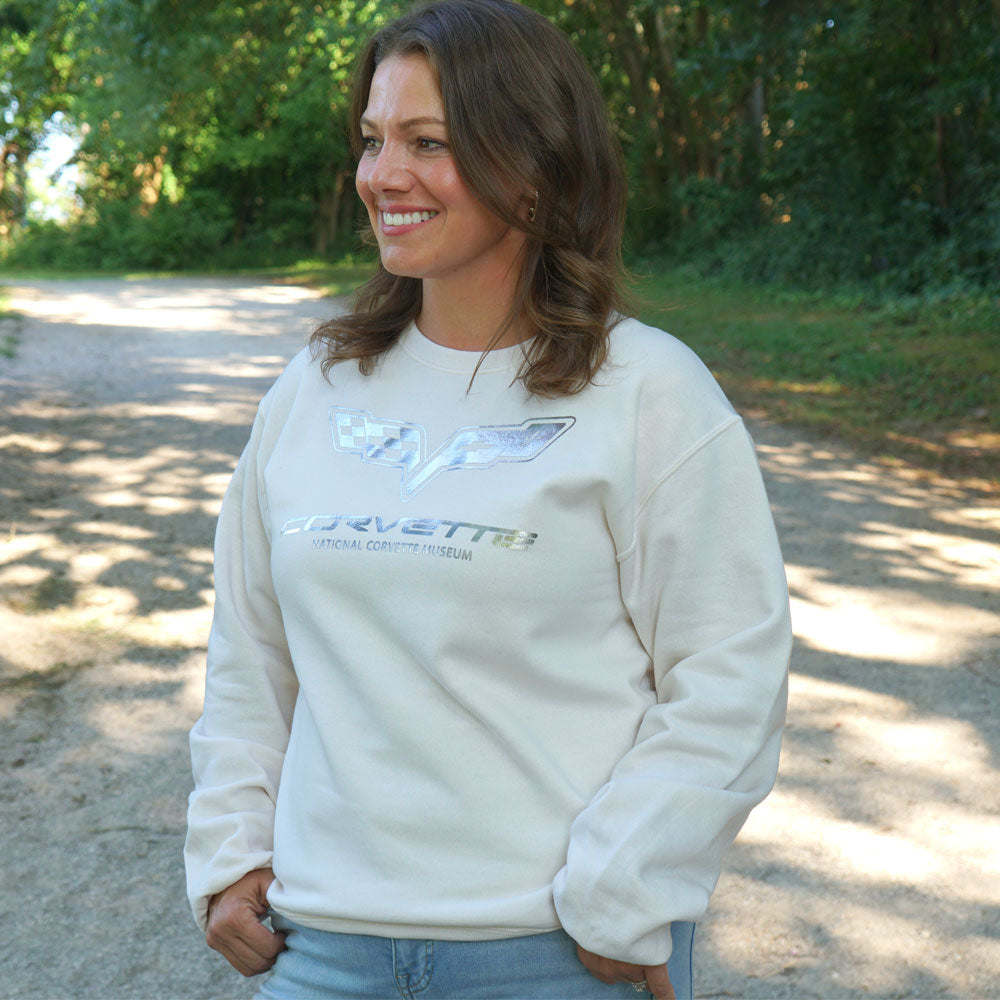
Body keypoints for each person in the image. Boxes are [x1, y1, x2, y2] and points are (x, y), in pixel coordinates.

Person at [183, 2, 792, 998]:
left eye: (430, 142)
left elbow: (729, 672)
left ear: (535, 163)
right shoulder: (314, 389)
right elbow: (252, 649)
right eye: (374, 140)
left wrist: (618, 889)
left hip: (553, 951)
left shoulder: (647, 391)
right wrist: (231, 849)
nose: (384, 175)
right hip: (319, 947)